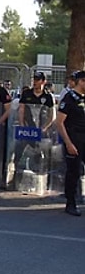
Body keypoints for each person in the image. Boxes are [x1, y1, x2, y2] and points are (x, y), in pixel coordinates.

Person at [54, 70, 85, 216]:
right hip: (74, 140)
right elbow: (59, 123)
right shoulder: (69, 98)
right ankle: (70, 203)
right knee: (74, 172)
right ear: (80, 81)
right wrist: (68, 143)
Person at [14, 71, 54, 170]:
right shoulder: (26, 93)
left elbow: (52, 115)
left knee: (45, 155)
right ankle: (16, 173)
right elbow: (21, 109)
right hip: (28, 129)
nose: (35, 82)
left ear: (43, 82)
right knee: (19, 150)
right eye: (34, 79)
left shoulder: (48, 96)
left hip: (42, 130)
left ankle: (43, 176)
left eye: (38, 80)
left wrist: (45, 128)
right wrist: (22, 125)